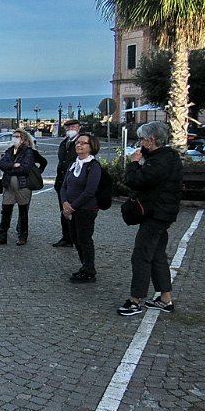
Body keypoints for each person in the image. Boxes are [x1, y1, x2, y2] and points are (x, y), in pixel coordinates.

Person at [118, 121, 183, 316]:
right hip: (162, 213)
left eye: (141, 139)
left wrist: (133, 163)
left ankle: (135, 300)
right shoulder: (166, 157)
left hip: (156, 213)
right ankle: (165, 298)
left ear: (151, 140)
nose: (139, 143)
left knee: (141, 255)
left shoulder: (160, 161)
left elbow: (136, 180)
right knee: (157, 255)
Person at [60, 134, 102, 283]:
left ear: (91, 147)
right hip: (71, 208)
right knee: (76, 239)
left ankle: (89, 270)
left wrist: (72, 206)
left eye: (83, 143)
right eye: (78, 143)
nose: (79, 145)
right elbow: (64, 185)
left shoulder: (93, 166)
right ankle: (84, 267)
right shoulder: (74, 164)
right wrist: (64, 202)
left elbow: (90, 191)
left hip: (86, 210)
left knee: (85, 240)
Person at [0, 129, 35, 246]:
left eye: (17, 136)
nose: (14, 138)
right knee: (5, 211)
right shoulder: (9, 151)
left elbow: (25, 168)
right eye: (13, 136)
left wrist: (9, 168)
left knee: (23, 212)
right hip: (8, 186)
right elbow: (0, 164)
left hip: (22, 186)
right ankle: (1, 237)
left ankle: (22, 236)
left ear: (23, 139)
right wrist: (13, 165)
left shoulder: (28, 152)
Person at [53, 119, 81, 247]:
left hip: (75, 183)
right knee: (63, 211)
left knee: (75, 211)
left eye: (73, 127)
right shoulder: (64, 143)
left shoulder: (82, 143)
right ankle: (66, 237)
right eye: (68, 128)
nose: (70, 130)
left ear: (78, 128)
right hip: (62, 183)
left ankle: (77, 237)